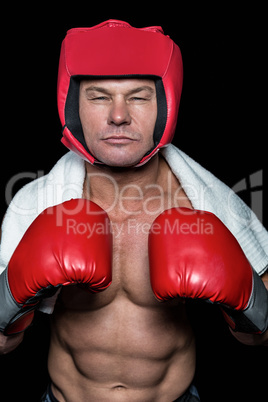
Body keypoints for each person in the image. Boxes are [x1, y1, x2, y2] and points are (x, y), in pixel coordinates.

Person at [0, 19, 268, 402]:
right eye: (98, 97)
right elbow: (3, 346)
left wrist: (246, 302)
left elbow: (259, 338)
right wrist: (11, 295)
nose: (119, 116)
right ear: (72, 106)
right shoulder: (37, 206)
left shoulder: (209, 206)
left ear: (166, 105)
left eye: (139, 97)